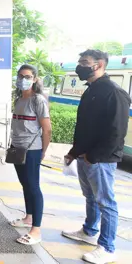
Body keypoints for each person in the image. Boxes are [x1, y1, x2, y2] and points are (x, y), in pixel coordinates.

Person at [62, 50, 130, 264]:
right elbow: (86, 127)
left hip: (100, 159)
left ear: (99, 64)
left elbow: (117, 132)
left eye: (84, 62)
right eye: (79, 61)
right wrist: (74, 152)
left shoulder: (113, 92)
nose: (79, 66)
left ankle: (108, 247)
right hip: (85, 156)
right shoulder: (92, 90)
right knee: (90, 197)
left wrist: (94, 156)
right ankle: (89, 230)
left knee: (105, 202)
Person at [8, 64, 52, 245]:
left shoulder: (38, 100)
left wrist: (43, 151)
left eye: (27, 76)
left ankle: (36, 229)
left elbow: (47, 129)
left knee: (33, 186)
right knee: (25, 184)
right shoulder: (19, 99)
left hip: (32, 149)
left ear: (34, 79)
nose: (22, 79)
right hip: (17, 147)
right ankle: (28, 217)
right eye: (20, 76)